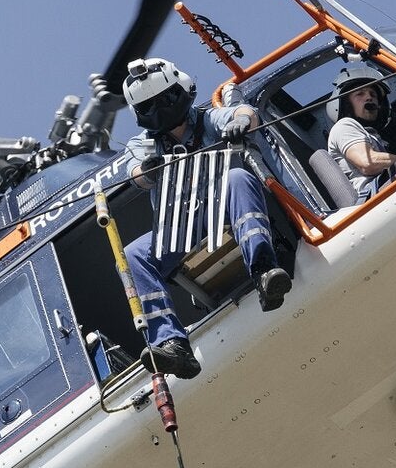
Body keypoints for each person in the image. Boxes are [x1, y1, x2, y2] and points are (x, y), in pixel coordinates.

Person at [121, 57, 291, 379]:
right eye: (150, 106)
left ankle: (264, 271)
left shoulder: (207, 119)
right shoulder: (143, 144)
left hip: (222, 209)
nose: (160, 110)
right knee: (134, 254)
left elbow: (244, 113)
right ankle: (172, 345)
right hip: (180, 226)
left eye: (165, 99)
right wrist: (148, 171)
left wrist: (242, 120)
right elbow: (135, 175)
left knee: (237, 178)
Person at [326, 66, 396, 203]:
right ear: (347, 104)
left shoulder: (372, 136)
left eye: (373, 94)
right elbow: (368, 162)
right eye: (360, 94)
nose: (369, 98)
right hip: (376, 194)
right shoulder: (345, 125)